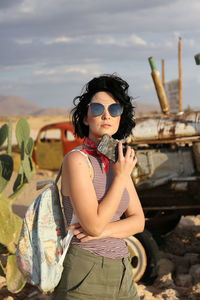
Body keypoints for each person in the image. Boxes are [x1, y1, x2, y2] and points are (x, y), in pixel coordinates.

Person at [53, 74, 145, 299]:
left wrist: (104, 231)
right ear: (85, 117)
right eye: (97, 108)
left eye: (114, 109)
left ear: (121, 117)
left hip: (122, 271)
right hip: (85, 272)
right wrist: (121, 177)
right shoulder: (77, 160)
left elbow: (139, 221)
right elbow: (92, 225)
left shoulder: (117, 160)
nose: (106, 115)